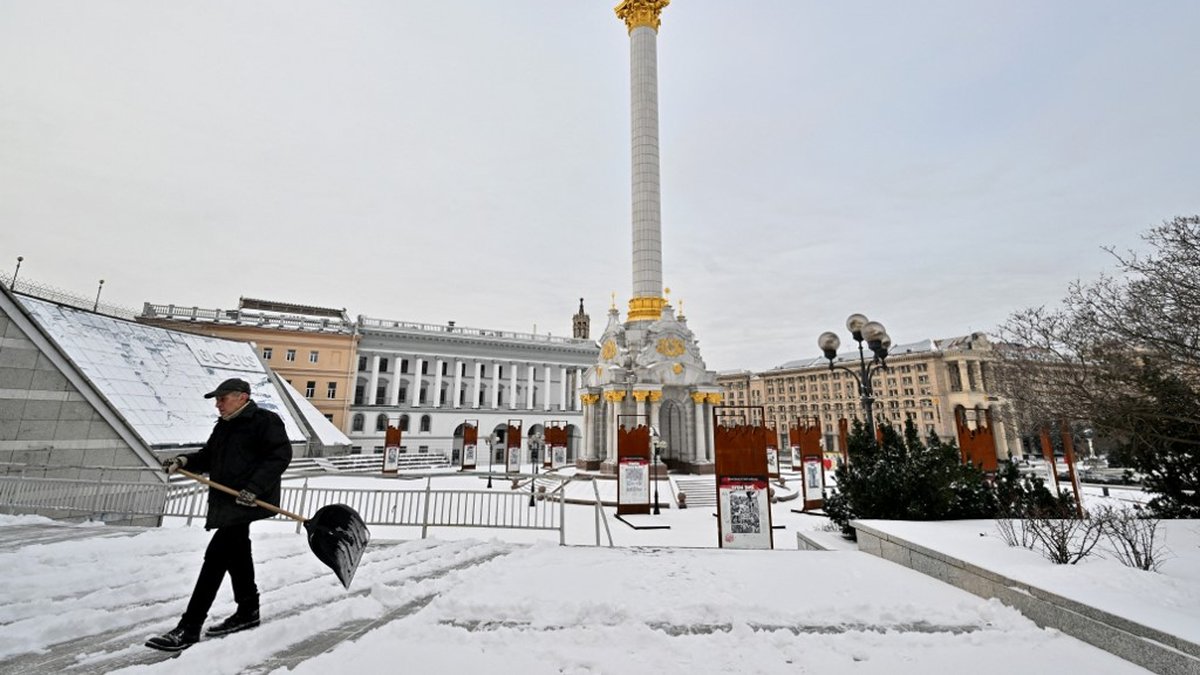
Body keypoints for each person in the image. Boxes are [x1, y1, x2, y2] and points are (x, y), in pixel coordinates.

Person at [145, 377, 292, 652]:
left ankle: (189, 627)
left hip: (247, 501)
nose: (218, 405)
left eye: (222, 399)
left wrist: (254, 489)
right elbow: (209, 456)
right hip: (226, 501)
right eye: (217, 400)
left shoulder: (264, 421)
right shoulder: (224, 426)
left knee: (215, 558)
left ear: (242, 397)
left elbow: (279, 457)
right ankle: (248, 611)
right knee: (237, 554)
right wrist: (185, 460)